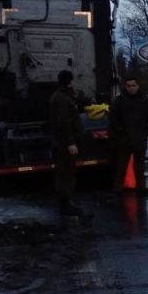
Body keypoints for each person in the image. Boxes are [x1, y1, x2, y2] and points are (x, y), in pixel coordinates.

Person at [109, 76, 148, 195]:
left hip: (139, 136)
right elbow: (112, 118)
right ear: (125, 87)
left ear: (138, 86)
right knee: (121, 164)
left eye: (133, 85)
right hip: (125, 138)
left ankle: (141, 188)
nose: (131, 88)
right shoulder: (120, 101)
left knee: (139, 164)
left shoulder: (144, 101)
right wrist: (119, 131)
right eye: (129, 86)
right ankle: (117, 188)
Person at [49, 69, 83, 216]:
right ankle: (65, 204)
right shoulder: (61, 98)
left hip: (64, 142)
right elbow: (63, 122)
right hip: (64, 144)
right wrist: (70, 142)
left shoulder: (63, 97)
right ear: (69, 82)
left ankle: (67, 202)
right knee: (66, 172)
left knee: (68, 172)